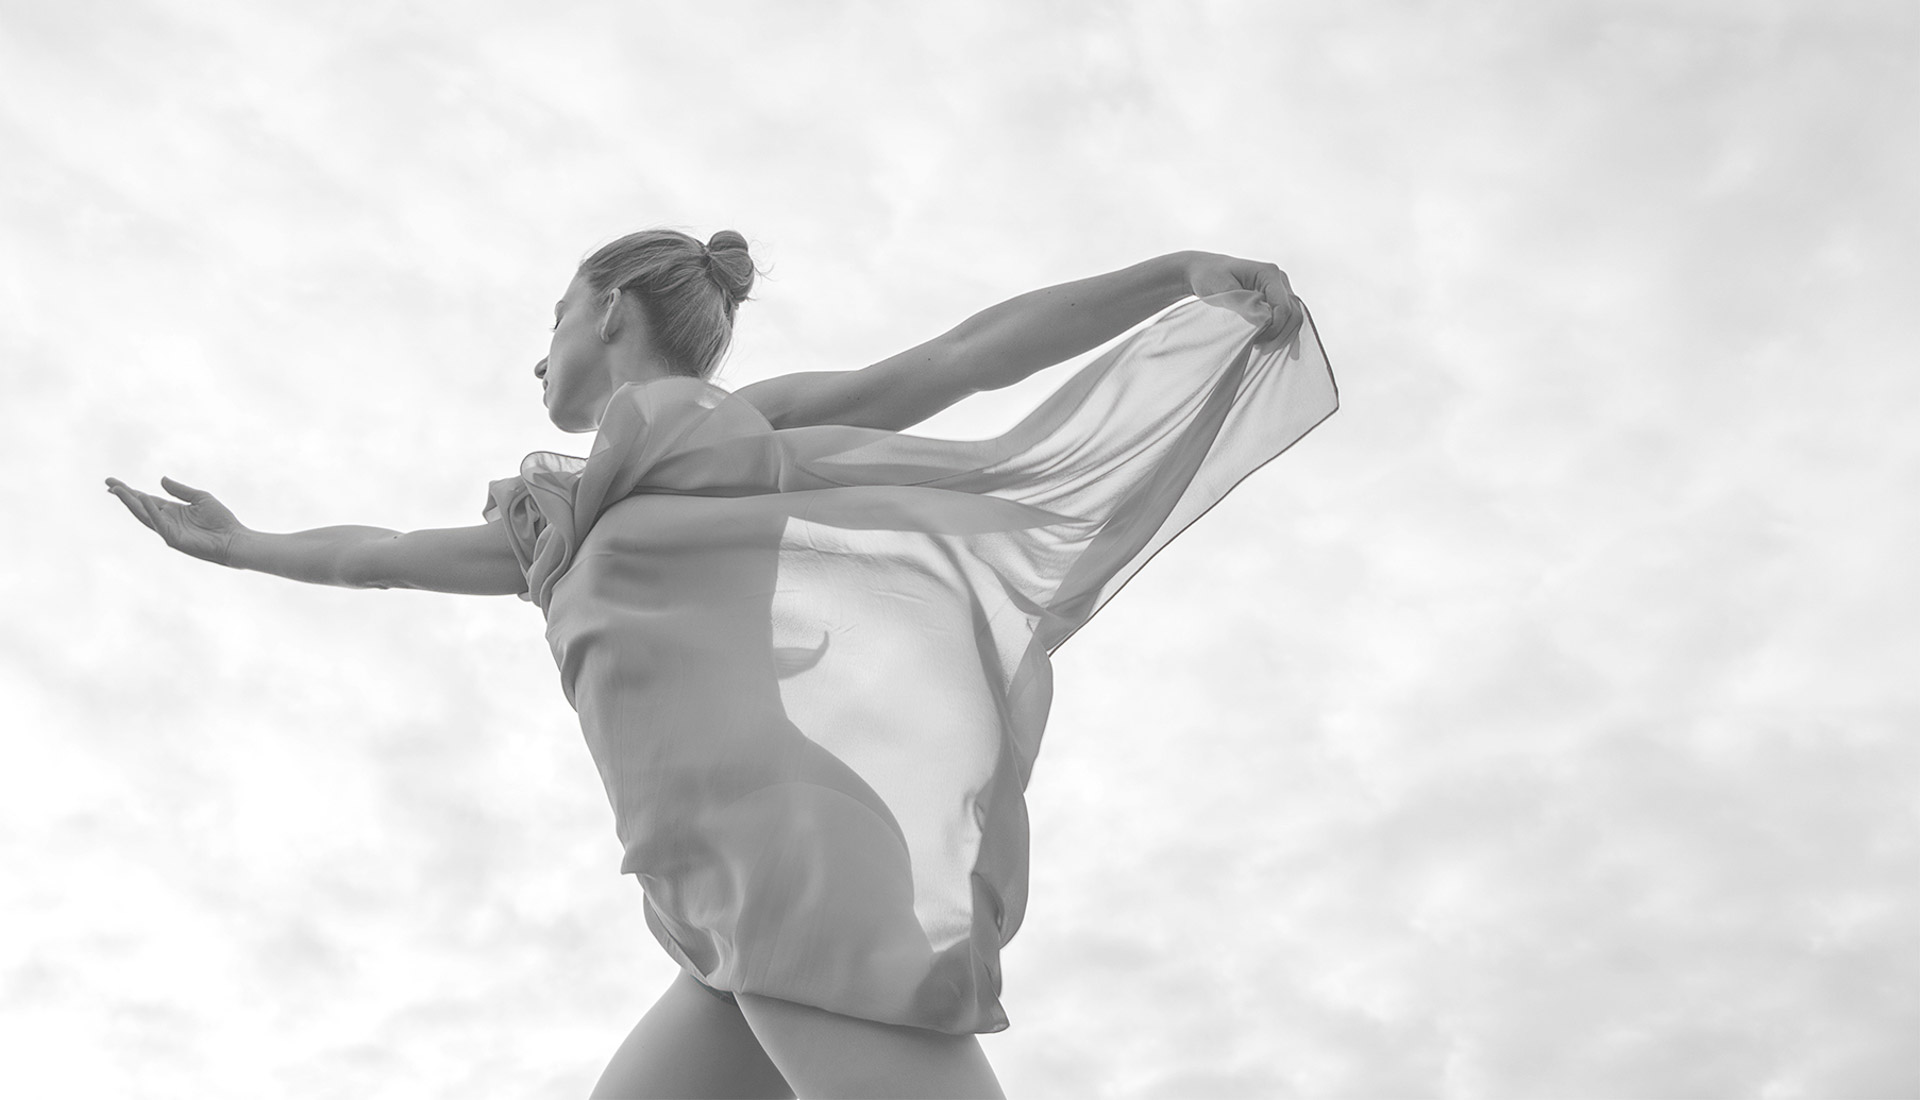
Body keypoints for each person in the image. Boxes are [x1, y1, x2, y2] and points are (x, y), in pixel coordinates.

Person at [108, 228, 1337, 1099]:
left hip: (782, 849)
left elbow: (964, 356)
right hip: (707, 888)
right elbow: (377, 555)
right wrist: (243, 546)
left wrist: (1173, 274)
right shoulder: (551, 522)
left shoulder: (730, 423)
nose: (536, 357)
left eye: (549, 319)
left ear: (608, 308)